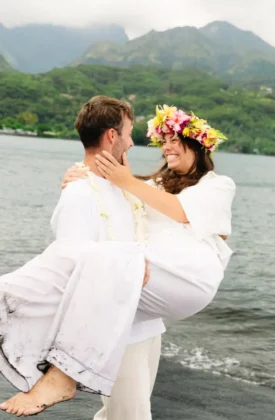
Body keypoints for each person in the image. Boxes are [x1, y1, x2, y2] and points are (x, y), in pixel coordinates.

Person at [0, 100, 236, 417]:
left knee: (107, 257)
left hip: (190, 276)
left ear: (196, 143)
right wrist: (79, 181)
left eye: (174, 140)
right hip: (143, 280)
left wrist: (124, 181)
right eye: (163, 141)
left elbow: (180, 212)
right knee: (123, 410)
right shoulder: (154, 185)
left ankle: (59, 373)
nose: (166, 148)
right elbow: (112, 197)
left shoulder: (217, 186)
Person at [0, 96, 164, 419]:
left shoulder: (122, 185)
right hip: (119, 328)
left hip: (147, 325)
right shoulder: (78, 193)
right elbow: (69, 269)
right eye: (129, 133)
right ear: (111, 136)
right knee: (132, 416)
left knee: (119, 414)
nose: (132, 142)